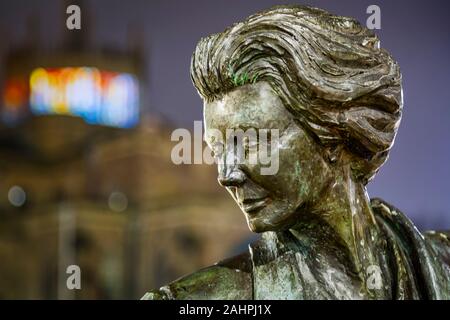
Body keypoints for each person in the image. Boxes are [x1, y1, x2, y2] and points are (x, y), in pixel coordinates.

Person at [143, 5, 449, 300]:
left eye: (250, 142)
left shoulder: (441, 265)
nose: (226, 175)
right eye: (218, 149)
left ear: (334, 133)